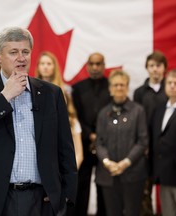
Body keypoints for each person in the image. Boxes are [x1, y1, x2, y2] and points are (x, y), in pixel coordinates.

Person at [0, 27, 77, 216]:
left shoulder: (51, 93)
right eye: (13, 52)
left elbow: (65, 148)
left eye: (25, 52)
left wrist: (67, 196)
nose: (21, 58)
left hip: (41, 199)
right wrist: (5, 96)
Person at [95, 69, 148, 216]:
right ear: (110, 88)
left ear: (127, 87)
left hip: (133, 174)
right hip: (108, 174)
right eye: (116, 85)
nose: (119, 88)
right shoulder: (103, 113)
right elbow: (99, 143)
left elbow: (143, 141)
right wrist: (107, 162)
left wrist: (125, 163)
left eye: (122, 85)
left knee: (132, 212)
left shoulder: (138, 111)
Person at [72, 52, 110, 216]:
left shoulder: (111, 85)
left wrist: (100, 136)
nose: (95, 68)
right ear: (87, 66)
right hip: (84, 143)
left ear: (104, 66)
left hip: (106, 144)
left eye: (98, 64)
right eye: (92, 64)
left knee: (104, 185)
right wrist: (90, 135)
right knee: (82, 184)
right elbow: (75, 115)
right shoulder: (78, 88)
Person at [35, 51, 84, 170]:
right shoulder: (29, 90)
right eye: (42, 63)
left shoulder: (65, 90)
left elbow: (78, 153)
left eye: (49, 63)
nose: (45, 66)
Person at [133, 51, 168, 216]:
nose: (155, 69)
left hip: (167, 146)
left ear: (164, 68)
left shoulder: (171, 90)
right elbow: (137, 120)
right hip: (146, 146)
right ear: (147, 68)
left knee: (167, 188)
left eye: (158, 66)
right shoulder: (139, 92)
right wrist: (142, 144)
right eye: (152, 66)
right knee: (144, 189)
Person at [151, 69, 176, 216]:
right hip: (163, 174)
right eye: (169, 83)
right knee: (168, 212)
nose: (172, 86)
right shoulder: (159, 109)